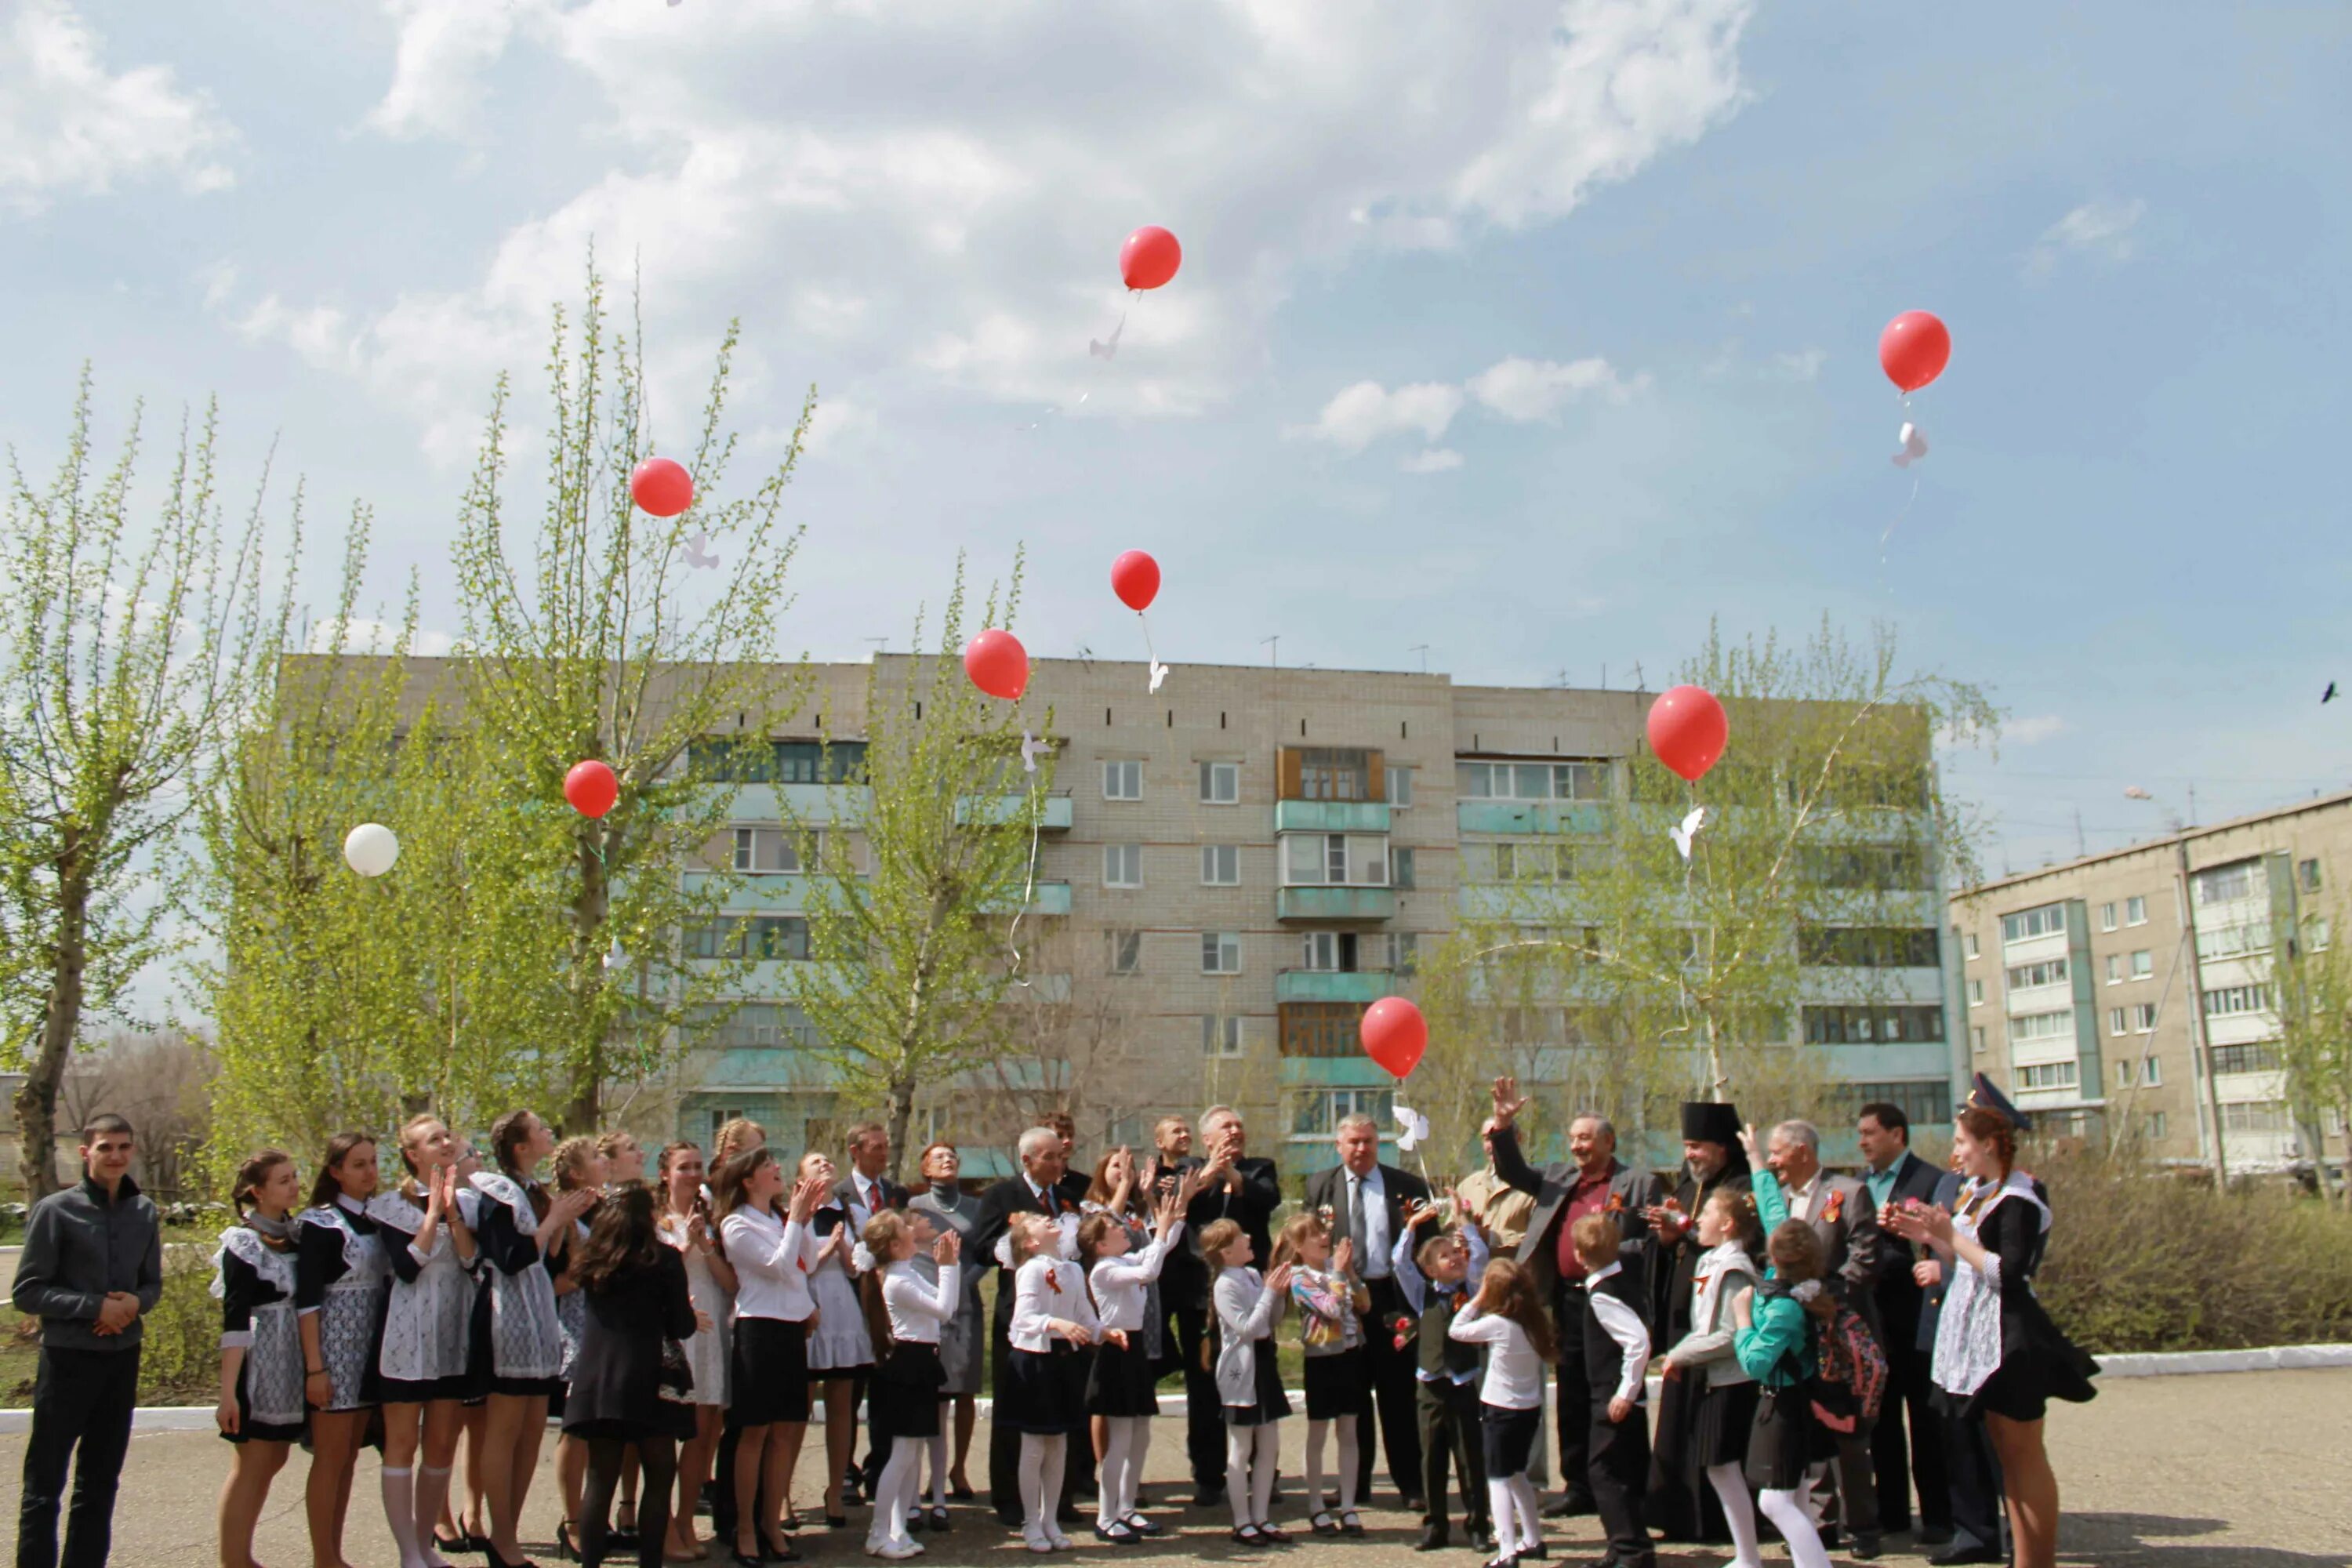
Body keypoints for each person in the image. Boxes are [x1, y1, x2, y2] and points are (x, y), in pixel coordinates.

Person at [1885, 1099, 2097, 1568]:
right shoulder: (1979, 1193)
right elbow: (1965, 1261)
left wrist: (1952, 1237)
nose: (1956, 1151)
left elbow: (2008, 1271)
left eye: (1962, 1141)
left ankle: (2037, 1561)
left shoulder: (2018, 1197)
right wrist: (1924, 1233)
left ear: (1989, 1144)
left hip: (2010, 1338)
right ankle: (2024, 1558)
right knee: (2009, 1457)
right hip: (1978, 1333)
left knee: (2023, 1458)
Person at [1481, 1076, 1664, 1518]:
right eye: (1573, 1139)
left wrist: (1608, 1253)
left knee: (1617, 1392)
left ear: (1608, 1141)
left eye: (1586, 1138)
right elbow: (1513, 1172)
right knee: (1572, 1395)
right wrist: (1503, 1125)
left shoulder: (1639, 1183)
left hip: (1613, 1302)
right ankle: (1579, 1485)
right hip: (1566, 1302)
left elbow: (1650, 1245)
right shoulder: (1560, 1180)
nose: (1578, 1146)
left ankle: (1626, 1485)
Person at [11, 1112, 162, 1568]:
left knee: (99, 1483)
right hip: (68, 1361)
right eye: (105, 1148)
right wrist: (95, 1307)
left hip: (121, 1360)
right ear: (85, 1153)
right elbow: (28, 1291)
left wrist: (132, 1305)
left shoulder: (145, 1212)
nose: (115, 1156)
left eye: (123, 1147)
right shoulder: (56, 1211)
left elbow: (152, 1285)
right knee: (45, 1484)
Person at [1751, 1119, 1885, 1557]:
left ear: (1803, 1151)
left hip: (1837, 1333)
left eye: (1778, 1152)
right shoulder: (1781, 1201)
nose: (1773, 1161)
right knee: (1808, 1431)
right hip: (1797, 1338)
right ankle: (1817, 1528)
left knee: (1846, 1433)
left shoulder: (1848, 1192)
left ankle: (1863, 1526)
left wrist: (1819, 1294)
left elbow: (1865, 1259)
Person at [473, 1109, 593, 1568]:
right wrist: (553, 1221)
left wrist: (562, 1223)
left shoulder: (532, 1190)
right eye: (540, 1129)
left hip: (538, 1314)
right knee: (504, 1432)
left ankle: (511, 1534)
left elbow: (546, 1260)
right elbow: (508, 1257)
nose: (549, 1133)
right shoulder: (495, 1191)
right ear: (520, 1146)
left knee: (529, 1434)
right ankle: (500, 1536)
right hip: (508, 1318)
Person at [563, 1182, 701, 1568]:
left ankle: (590, 1564)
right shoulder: (664, 1259)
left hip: (596, 1381)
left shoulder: (591, 1260)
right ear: (649, 1215)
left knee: (600, 1478)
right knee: (658, 1476)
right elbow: (681, 1325)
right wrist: (687, 1310)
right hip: (649, 1379)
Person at [1302, 1112, 1430, 1512]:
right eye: (1353, 1142)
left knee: (1399, 1396)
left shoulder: (1406, 1187)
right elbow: (1306, 1242)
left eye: (1369, 1141)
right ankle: (1354, 1485)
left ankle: (1411, 1484)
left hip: (1392, 1302)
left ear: (1380, 1144)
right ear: (1338, 1146)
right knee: (1352, 1397)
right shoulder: (1320, 1185)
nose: (1361, 1149)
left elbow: (1429, 1245)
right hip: (1343, 1304)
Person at [372, 1116, 481, 1568]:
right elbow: (407, 1266)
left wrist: (452, 1211)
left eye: (447, 1136)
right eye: (433, 1139)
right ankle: (406, 1552)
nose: (445, 1143)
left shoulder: (472, 1204)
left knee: (441, 1445)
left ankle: (423, 1547)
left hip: (452, 1331)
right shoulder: (389, 1206)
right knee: (402, 1444)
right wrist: (432, 1212)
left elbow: (472, 1261)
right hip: (406, 1334)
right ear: (413, 1155)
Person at [1639, 1100, 1749, 1544]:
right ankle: (1678, 1513)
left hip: (1717, 1331)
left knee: (1715, 1431)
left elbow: (1741, 1245)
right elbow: (1674, 1247)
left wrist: (1683, 1231)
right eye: (1686, 1146)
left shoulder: (1740, 1190)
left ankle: (1720, 1521)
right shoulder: (1686, 1189)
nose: (1691, 1155)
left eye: (1698, 1146)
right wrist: (1666, 1241)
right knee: (1677, 1422)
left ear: (1722, 1148)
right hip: (1682, 1322)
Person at [967, 1126, 1083, 1526]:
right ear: (1028, 1160)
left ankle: (1058, 1498)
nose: (1057, 1164)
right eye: (1049, 1157)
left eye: (1060, 1156)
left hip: (1065, 1318)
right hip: (1020, 1316)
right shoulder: (1003, 1196)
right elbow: (980, 1246)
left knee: (1060, 1409)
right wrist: (1018, 1240)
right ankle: (1012, 1498)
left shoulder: (1069, 1196)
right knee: (1017, 1409)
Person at [716, 1146, 823, 1568]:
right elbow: (777, 1267)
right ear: (748, 1180)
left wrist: (804, 1221)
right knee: (754, 1432)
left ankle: (771, 1524)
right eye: (767, 1167)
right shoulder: (736, 1223)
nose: (778, 1170)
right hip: (758, 1330)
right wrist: (796, 1220)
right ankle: (744, 1527)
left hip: (790, 1330)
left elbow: (806, 1265)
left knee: (784, 1433)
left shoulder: (779, 1219)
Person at [1857, 1101, 1953, 1548]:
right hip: (1874, 1318)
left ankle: (1939, 1515)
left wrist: (1908, 1230)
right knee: (1882, 1421)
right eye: (1860, 1133)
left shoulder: (1931, 1179)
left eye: (1870, 1133)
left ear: (1897, 1135)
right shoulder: (1857, 1185)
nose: (1862, 1142)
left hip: (1917, 1315)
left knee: (1926, 1420)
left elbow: (1948, 1243)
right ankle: (1892, 1512)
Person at [1654, 1184, 1766, 1568]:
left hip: (1731, 1380)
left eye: (1708, 1213)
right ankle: (1745, 1553)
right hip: (1711, 1377)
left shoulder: (1735, 1267)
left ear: (1728, 1223)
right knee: (1719, 1467)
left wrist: (1679, 1355)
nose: (1699, 1219)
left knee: (1725, 1465)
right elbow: (1702, 1320)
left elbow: (1729, 1333)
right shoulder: (1709, 1263)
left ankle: (1749, 1555)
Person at [1175, 1108, 1280, 1508]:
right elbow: (1178, 1203)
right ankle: (1208, 1473)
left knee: (1256, 1380)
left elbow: (1267, 1199)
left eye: (1239, 1125)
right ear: (1207, 1139)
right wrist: (1208, 1175)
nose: (1235, 1131)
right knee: (1203, 1386)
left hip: (1252, 1293)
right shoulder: (1189, 1168)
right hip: (1199, 1298)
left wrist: (1232, 1175)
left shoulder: (1259, 1168)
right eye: (1226, 1127)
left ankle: (1262, 1471)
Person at [298, 1131, 391, 1568]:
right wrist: (316, 1369)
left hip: (369, 1354)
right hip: (334, 1354)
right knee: (330, 1460)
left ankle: (333, 1554)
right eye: (358, 1164)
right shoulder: (320, 1224)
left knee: (349, 1461)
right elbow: (308, 1302)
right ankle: (323, 1558)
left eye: (373, 1162)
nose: (369, 1171)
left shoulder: (379, 1218)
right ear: (335, 1171)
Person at [1081, 1177, 1189, 1544]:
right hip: (1117, 1351)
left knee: (1140, 1436)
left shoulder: (1122, 1258)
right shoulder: (1104, 1269)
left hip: (1136, 1348)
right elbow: (1149, 1271)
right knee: (1121, 1440)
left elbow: (1161, 1250)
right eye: (1114, 1227)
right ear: (1099, 1243)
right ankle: (1106, 1514)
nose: (1122, 1228)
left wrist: (1175, 1217)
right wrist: (1160, 1236)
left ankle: (1127, 1508)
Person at [213, 1149, 307, 1568]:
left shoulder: (296, 1235)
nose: (293, 1185)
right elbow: (234, 1320)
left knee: (276, 1455)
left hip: (291, 1358)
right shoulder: (243, 1243)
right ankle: (234, 1559)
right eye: (283, 1180)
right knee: (252, 1459)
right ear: (258, 1191)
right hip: (258, 1359)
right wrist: (229, 1393)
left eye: (293, 1177)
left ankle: (243, 1554)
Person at [1731, 1220, 1840, 1568]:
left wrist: (1742, 1322)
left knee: (1774, 1502)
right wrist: (1758, 1164)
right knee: (1796, 1498)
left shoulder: (1785, 1306)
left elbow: (1755, 1362)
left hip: (1784, 1407)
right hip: (1789, 1403)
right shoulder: (1797, 1290)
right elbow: (1772, 1210)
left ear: (1775, 1256)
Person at [1391, 1191, 1493, 1552]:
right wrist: (1412, 1226)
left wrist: (1464, 1222)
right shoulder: (1422, 1294)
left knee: (1470, 1459)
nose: (1455, 1258)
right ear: (1431, 1270)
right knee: (1431, 1458)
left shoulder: (1474, 1287)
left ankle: (1479, 1524)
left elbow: (1479, 1255)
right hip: (1430, 1385)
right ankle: (1435, 1525)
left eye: (1456, 1253)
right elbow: (1400, 1262)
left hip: (1463, 1383)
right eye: (1445, 1256)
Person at [859, 1209, 962, 1559]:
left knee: (912, 1452)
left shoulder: (907, 1272)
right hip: (909, 1364)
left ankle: (897, 1528)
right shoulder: (898, 1279)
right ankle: (878, 1532)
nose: (911, 1227)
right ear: (893, 1243)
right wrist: (949, 1266)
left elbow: (943, 1305)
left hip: (920, 1361)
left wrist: (950, 1265)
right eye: (904, 1226)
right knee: (901, 1455)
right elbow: (945, 1309)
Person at [656, 1142, 739, 1563]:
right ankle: (663, 1522)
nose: (692, 1174)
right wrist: (686, 1243)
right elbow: (659, 1275)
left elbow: (729, 1283)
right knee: (671, 1430)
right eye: (683, 1167)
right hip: (677, 1329)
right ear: (666, 1174)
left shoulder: (712, 1219)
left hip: (711, 1328)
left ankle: (687, 1518)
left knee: (706, 1430)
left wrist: (705, 1243)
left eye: (697, 1166)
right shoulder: (655, 1219)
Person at [1446, 1257, 1554, 1568]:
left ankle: (1506, 1549)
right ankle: (1533, 1538)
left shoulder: (1497, 1325)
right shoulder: (1534, 1323)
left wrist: (1476, 1300)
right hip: (1528, 1410)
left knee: (1497, 1480)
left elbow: (1457, 1329)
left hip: (1500, 1410)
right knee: (1518, 1475)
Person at [1003, 1213, 1098, 1552]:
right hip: (1035, 1359)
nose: (1047, 1219)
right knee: (1034, 1445)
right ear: (1030, 1241)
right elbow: (1024, 1318)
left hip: (1063, 1360)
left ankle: (1050, 1518)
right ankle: (1031, 1521)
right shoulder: (1030, 1269)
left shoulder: (1073, 1269)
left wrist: (1105, 1333)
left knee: (1059, 1443)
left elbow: (1085, 1314)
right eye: (1037, 1222)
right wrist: (1057, 1323)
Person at [1271, 1210, 1370, 1537]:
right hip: (1321, 1358)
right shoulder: (1300, 1278)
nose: (1324, 1238)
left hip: (1349, 1354)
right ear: (1299, 1245)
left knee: (1350, 1431)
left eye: (1324, 1232)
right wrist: (1340, 1274)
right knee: (1318, 1434)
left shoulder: (1335, 1269)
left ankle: (1349, 1506)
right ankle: (1316, 1505)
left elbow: (1364, 1303)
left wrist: (1348, 1272)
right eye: (1314, 1235)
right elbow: (1329, 1308)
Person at [906, 1141, 985, 1518]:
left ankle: (959, 1468)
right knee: (934, 1392)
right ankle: (928, 1475)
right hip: (929, 1299)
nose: (948, 1160)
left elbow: (987, 1252)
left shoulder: (975, 1206)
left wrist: (965, 1282)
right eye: (939, 1157)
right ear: (925, 1168)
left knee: (965, 1390)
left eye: (952, 1155)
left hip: (967, 1300)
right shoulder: (915, 1208)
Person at [1204, 1218, 1293, 1547]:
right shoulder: (1225, 1284)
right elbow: (1247, 1328)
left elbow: (1270, 1320)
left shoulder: (1254, 1275)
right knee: (1241, 1446)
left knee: (1270, 1444)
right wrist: (1269, 1294)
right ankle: (1242, 1521)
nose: (1249, 1236)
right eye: (1242, 1235)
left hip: (1264, 1363)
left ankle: (1262, 1516)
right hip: (1241, 1369)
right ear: (1227, 1251)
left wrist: (1277, 1295)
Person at [1574, 1215, 1656, 1568]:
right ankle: (1626, 1544)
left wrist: (1624, 1392)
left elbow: (1638, 1341)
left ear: (1579, 1255)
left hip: (1611, 1393)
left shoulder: (1602, 1295)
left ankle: (1629, 1549)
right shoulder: (1622, 1279)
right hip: (1622, 1391)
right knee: (1626, 1467)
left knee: (1604, 1470)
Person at [801, 1148, 874, 1529]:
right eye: (816, 1162)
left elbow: (854, 1268)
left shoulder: (853, 1212)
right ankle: (782, 1495)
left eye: (828, 1161)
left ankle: (836, 1486)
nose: (825, 1164)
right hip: (806, 1304)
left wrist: (843, 1243)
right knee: (798, 1406)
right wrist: (825, 1247)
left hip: (841, 1306)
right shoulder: (792, 1214)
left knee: (843, 1401)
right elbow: (797, 1265)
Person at [837, 1123, 908, 1508]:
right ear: (855, 1150)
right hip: (851, 1302)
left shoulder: (895, 1193)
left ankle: (878, 1469)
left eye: (885, 1147)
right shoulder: (839, 1195)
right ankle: (843, 1471)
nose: (882, 1153)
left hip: (889, 1304)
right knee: (849, 1394)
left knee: (886, 1392)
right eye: (875, 1147)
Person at [551, 1137, 612, 1559]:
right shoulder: (565, 1214)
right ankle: (571, 1518)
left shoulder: (605, 1210)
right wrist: (597, 1271)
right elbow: (553, 1281)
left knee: (600, 1431)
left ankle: (594, 1514)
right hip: (574, 1324)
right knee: (576, 1429)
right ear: (574, 1173)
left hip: (606, 1324)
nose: (603, 1161)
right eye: (593, 1158)